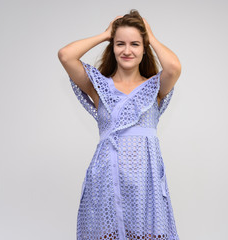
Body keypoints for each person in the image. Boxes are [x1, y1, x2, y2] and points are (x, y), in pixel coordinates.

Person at [58, 9, 181, 240]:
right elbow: (66, 55)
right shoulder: (98, 87)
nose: (127, 50)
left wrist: (150, 37)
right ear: (112, 47)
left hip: (146, 183)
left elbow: (174, 67)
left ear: (144, 48)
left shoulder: (155, 87)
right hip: (106, 178)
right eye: (119, 44)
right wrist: (105, 34)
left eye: (135, 44)